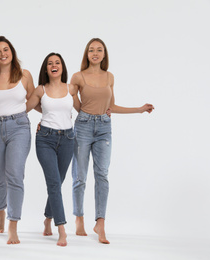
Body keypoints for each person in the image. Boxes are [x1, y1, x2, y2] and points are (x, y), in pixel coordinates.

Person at [71, 38, 154, 244]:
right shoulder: (77, 76)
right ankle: (79, 218)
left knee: (102, 175)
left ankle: (100, 223)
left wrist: (139, 109)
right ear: (87, 54)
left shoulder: (110, 76)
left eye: (99, 50)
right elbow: (74, 104)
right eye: (91, 50)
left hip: (104, 128)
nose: (95, 53)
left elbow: (112, 107)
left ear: (104, 54)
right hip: (83, 126)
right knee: (79, 175)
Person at [0, 36, 35, 244]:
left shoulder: (25, 75)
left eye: (6, 49)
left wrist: (53, 115)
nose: (3, 54)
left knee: (15, 175)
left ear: (12, 52)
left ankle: (13, 224)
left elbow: (35, 100)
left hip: (19, 127)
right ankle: (0, 213)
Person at [26, 53, 80, 246]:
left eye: (57, 62)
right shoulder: (40, 90)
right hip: (45, 139)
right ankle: (62, 229)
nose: (54, 65)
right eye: (50, 63)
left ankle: (48, 218)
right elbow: (23, 108)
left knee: (58, 181)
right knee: (54, 184)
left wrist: (104, 109)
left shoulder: (71, 88)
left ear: (62, 67)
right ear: (46, 69)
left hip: (68, 139)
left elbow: (83, 109)